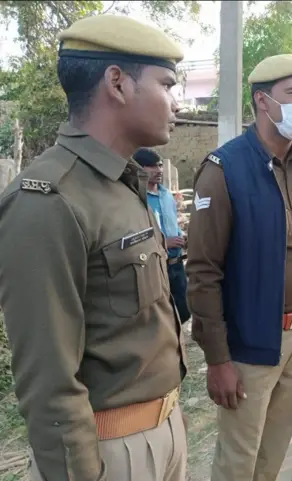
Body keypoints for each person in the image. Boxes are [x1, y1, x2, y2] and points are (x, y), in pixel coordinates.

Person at [0, 15, 188, 481]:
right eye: (167, 84)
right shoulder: (49, 199)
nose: (177, 102)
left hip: (164, 430)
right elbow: (50, 382)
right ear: (117, 83)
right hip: (111, 452)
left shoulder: (122, 183)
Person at [186, 54, 292, 481]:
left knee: (273, 453)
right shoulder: (225, 169)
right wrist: (218, 359)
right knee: (239, 460)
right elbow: (203, 271)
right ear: (263, 101)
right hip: (250, 345)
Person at [134, 148, 191, 324]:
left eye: (159, 165)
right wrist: (165, 243)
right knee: (161, 317)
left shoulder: (166, 195)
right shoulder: (136, 198)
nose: (158, 170)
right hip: (156, 266)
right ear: (139, 168)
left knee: (184, 311)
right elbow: (135, 237)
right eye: (152, 166)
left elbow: (173, 223)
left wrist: (182, 237)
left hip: (176, 264)